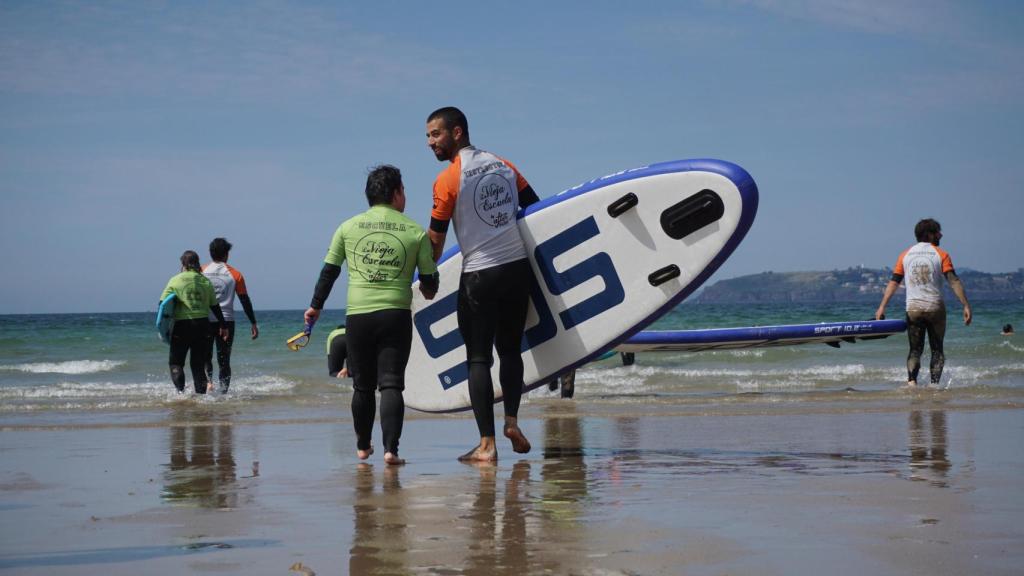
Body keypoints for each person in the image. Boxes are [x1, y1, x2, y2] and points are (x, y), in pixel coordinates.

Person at [425, 106, 541, 462]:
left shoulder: (448, 180)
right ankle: (512, 421)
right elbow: (536, 208)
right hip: (517, 269)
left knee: (477, 359)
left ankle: (487, 445)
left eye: (436, 134)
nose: (430, 143)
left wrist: (427, 277)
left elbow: (436, 241)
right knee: (510, 350)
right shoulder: (504, 164)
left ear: (457, 132)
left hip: (480, 275)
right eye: (428, 137)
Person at [304, 165, 438, 465]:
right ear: (396, 193)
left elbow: (329, 272)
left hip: (359, 316)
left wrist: (315, 306)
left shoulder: (347, 227)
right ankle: (391, 451)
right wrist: (427, 288)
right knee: (391, 383)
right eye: (403, 190)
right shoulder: (415, 231)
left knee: (362, 385)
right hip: (395, 315)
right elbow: (430, 281)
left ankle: (363, 447)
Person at [875, 218, 971, 387]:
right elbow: (953, 281)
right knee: (937, 350)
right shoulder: (941, 254)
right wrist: (965, 305)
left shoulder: (905, 255)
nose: (941, 234)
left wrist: (882, 306)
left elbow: (894, 282)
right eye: (937, 232)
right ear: (929, 234)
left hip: (914, 309)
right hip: (935, 308)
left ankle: (912, 382)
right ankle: (934, 385)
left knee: (915, 350)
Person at [160, 250, 229, 394]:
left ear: (183, 264)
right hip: (203, 327)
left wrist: (164, 326)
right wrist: (223, 325)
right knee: (198, 366)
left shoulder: (175, 280)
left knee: (176, 363)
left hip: (182, 327)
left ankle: (181, 394)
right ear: (197, 263)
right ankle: (201, 399)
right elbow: (214, 306)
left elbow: (163, 304)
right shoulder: (205, 281)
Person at [202, 238, 258, 394]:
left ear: (210, 253)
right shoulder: (235, 274)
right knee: (224, 359)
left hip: (204, 320)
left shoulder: (200, 271)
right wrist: (253, 323)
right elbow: (244, 300)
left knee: (206, 356)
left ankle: (208, 383)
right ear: (226, 254)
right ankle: (224, 392)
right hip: (226, 322)